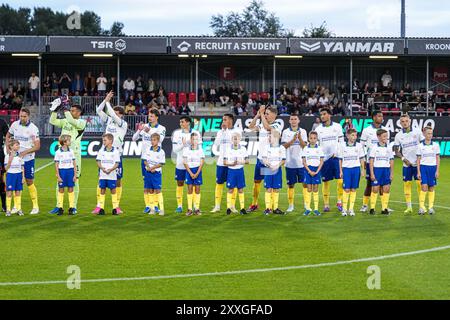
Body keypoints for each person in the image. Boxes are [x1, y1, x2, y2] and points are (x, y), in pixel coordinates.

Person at [92, 91, 128, 214]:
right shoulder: (108, 120)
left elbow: (111, 112)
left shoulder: (123, 124)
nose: (114, 116)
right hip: (104, 154)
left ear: (121, 116)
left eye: (117, 114)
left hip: (116, 155)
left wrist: (108, 102)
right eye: (115, 114)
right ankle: (99, 205)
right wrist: (105, 100)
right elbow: (98, 110)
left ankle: (116, 206)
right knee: (101, 179)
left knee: (118, 180)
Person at [48, 98, 87, 213]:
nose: (70, 112)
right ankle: (58, 205)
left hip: (74, 155)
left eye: (73, 110)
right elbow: (52, 121)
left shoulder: (81, 123)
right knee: (59, 179)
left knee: (75, 180)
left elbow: (71, 121)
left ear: (79, 112)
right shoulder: (66, 120)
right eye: (70, 110)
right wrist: (55, 110)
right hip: (62, 153)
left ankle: (73, 206)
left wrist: (64, 106)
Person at [247, 105, 282, 212]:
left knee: (270, 185)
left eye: (267, 113)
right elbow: (251, 127)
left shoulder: (278, 124)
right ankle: (254, 204)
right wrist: (258, 115)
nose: (265, 115)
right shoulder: (262, 123)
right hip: (260, 159)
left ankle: (270, 207)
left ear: (274, 115)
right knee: (256, 181)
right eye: (265, 113)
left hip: (270, 161)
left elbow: (268, 128)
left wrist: (261, 114)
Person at [6, 108, 40, 215]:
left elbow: (37, 146)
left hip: (28, 158)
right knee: (16, 182)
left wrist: (24, 152)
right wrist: (7, 147)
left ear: (28, 116)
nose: (22, 118)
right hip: (16, 159)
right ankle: (16, 206)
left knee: (29, 181)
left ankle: (35, 206)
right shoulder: (15, 125)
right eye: (20, 116)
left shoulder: (33, 128)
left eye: (24, 116)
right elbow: (8, 135)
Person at [211, 114, 242, 213]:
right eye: (223, 120)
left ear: (231, 120)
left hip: (232, 163)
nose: (223, 121)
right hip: (221, 162)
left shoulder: (237, 131)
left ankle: (232, 206)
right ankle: (217, 206)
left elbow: (235, 143)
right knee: (219, 183)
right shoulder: (220, 132)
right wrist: (222, 131)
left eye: (225, 119)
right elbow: (216, 143)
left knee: (233, 185)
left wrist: (226, 130)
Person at [360, 111, 390, 213]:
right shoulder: (366, 130)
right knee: (370, 184)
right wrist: (363, 160)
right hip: (370, 162)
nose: (381, 118)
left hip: (383, 163)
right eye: (379, 116)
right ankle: (365, 205)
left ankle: (384, 206)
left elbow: (387, 147)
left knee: (383, 185)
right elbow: (362, 146)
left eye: (382, 116)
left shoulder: (386, 130)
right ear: (373, 117)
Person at [315, 107, 344, 213]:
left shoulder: (337, 126)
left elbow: (341, 142)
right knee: (325, 181)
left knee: (340, 180)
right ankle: (326, 204)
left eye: (324, 114)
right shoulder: (318, 129)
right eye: (321, 114)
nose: (322, 116)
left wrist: (339, 154)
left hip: (336, 158)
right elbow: (317, 145)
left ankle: (340, 201)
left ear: (329, 115)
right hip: (325, 159)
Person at [393, 114, 424, 213]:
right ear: (400, 123)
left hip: (418, 164)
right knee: (407, 185)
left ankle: (421, 207)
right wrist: (403, 158)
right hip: (407, 165)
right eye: (402, 121)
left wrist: (421, 157)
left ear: (410, 121)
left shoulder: (417, 131)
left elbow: (424, 144)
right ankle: (409, 207)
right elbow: (396, 150)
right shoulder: (398, 135)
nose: (405, 123)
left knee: (420, 185)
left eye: (406, 121)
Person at [171, 116, 201, 213]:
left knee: (192, 185)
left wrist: (190, 143)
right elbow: (175, 149)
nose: (181, 124)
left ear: (188, 123)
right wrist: (183, 144)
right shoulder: (177, 133)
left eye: (182, 122)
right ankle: (179, 206)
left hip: (193, 164)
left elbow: (199, 148)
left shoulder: (196, 133)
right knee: (180, 184)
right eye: (180, 122)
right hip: (180, 163)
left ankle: (194, 207)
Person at [281, 113, 307, 213]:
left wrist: (299, 138)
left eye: (295, 119)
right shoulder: (285, 132)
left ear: (298, 120)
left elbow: (305, 146)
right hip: (289, 163)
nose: (293, 121)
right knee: (290, 185)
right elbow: (283, 146)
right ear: (289, 121)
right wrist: (292, 140)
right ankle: (291, 205)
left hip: (301, 163)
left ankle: (306, 204)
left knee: (304, 184)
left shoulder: (303, 131)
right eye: (292, 119)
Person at [132, 109, 166, 185]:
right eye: (149, 116)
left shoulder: (161, 128)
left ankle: (155, 197)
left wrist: (149, 131)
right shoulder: (145, 126)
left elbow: (160, 140)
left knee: (155, 183)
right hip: (145, 158)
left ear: (157, 117)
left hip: (155, 159)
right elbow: (134, 139)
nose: (149, 118)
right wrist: (139, 130)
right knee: (146, 182)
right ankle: (148, 197)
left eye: (152, 116)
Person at [338, 128, 365, 217]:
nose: (354, 137)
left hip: (356, 169)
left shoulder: (359, 146)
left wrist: (362, 170)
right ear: (347, 135)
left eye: (356, 135)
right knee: (346, 189)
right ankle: (344, 209)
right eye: (352, 135)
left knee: (353, 189)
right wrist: (341, 171)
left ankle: (351, 209)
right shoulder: (342, 146)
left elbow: (361, 158)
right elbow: (340, 159)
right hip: (346, 169)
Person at [369, 129, 394, 215]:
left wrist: (391, 173)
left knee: (386, 189)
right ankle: (372, 208)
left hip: (386, 170)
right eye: (384, 136)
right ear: (378, 137)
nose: (386, 138)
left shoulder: (389, 147)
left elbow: (391, 161)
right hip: (377, 170)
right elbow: (371, 161)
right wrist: (372, 173)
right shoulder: (374, 148)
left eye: (386, 136)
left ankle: (384, 209)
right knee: (375, 189)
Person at [95, 134, 121, 216]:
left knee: (113, 190)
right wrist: (102, 168)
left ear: (110, 141)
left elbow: (117, 163)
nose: (103, 142)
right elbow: (98, 161)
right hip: (103, 175)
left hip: (112, 175)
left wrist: (111, 169)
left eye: (105, 140)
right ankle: (101, 208)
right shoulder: (101, 151)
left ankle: (115, 208)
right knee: (102, 190)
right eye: (103, 140)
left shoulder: (116, 152)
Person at [223, 132, 249, 215]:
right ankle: (228, 208)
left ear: (240, 139)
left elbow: (248, 161)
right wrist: (232, 164)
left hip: (240, 171)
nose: (235, 139)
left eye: (237, 138)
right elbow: (224, 162)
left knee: (240, 189)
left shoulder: (243, 149)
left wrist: (240, 161)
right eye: (234, 138)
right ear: (231, 139)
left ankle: (242, 208)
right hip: (231, 171)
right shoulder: (228, 149)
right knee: (230, 189)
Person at [261, 130, 286, 215]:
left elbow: (283, 160)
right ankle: (268, 208)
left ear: (275, 138)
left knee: (276, 189)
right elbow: (264, 159)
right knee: (268, 188)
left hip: (277, 170)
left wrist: (276, 166)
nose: (269, 138)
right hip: (268, 170)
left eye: (270, 136)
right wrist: (268, 165)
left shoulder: (281, 148)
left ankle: (275, 208)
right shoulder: (266, 147)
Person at [416, 127, 440, 215]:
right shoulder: (420, 146)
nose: (430, 135)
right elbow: (418, 160)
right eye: (428, 133)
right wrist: (418, 172)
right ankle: (421, 208)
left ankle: (430, 208)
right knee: (424, 187)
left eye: (431, 133)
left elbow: (438, 158)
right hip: (423, 168)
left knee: (431, 187)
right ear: (424, 134)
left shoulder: (436, 145)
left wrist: (437, 171)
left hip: (433, 168)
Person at [302, 131, 324, 216]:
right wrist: (309, 171)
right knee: (309, 189)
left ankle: (316, 209)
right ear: (308, 138)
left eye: (314, 138)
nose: (313, 140)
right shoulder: (305, 149)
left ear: (317, 139)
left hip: (316, 170)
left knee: (315, 189)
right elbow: (304, 162)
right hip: (308, 170)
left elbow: (321, 161)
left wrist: (317, 171)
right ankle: (307, 209)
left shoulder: (319, 149)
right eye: (311, 138)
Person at [143, 133, 166, 215]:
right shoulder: (148, 149)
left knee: (158, 190)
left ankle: (162, 209)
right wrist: (149, 167)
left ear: (158, 141)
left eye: (154, 140)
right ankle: (152, 209)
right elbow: (145, 160)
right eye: (151, 140)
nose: (152, 142)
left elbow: (161, 163)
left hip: (156, 174)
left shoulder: (161, 152)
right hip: (148, 172)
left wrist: (153, 168)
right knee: (150, 190)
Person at [54, 135, 77, 216]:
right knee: (61, 189)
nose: (70, 142)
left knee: (71, 189)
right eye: (69, 140)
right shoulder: (58, 152)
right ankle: (60, 208)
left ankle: (71, 208)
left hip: (70, 171)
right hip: (62, 172)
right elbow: (56, 165)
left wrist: (75, 175)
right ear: (64, 142)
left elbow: (74, 163)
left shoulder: (71, 151)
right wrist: (58, 176)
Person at [183, 132, 205, 216]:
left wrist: (197, 173)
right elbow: (185, 162)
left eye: (196, 139)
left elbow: (202, 162)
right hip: (189, 171)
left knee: (197, 189)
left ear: (198, 140)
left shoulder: (200, 149)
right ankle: (189, 209)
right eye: (193, 139)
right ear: (190, 140)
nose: (194, 141)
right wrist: (191, 173)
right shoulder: (186, 149)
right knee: (190, 189)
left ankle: (197, 208)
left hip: (197, 170)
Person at [4, 140, 24, 216]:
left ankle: (19, 209)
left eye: (18, 145)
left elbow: (22, 167)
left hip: (18, 175)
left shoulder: (20, 156)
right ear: (11, 146)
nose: (18, 146)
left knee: (18, 192)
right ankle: (8, 210)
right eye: (16, 145)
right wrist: (10, 159)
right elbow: (6, 168)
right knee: (9, 193)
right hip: (10, 175)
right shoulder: (7, 156)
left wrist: (23, 177)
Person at [0, 118, 9, 212]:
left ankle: (4, 205)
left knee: (1, 180)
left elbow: (8, 136)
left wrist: (8, 148)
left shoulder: (2, 122)